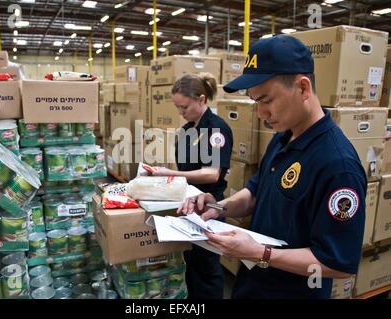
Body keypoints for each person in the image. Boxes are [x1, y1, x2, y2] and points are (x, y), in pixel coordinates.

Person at [180, 35, 366, 299]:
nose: (260, 113)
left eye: (266, 100)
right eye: (255, 101)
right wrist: (217, 207)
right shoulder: (283, 138)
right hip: (252, 285)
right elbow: (255, 193)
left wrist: (260, 253)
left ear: (303, 88)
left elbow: (337, 263)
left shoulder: (337, 165)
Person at [149, 72, 233, 299]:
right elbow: (187, 172)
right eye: (177, 108)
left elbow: (212, 173)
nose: (180, 113)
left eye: (184, 107)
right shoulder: (187, 130)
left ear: (202, 99)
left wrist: (170, 172)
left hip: (209, 206)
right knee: (190, 265)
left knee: (206, 267)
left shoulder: (216, 129)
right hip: (187, 203)